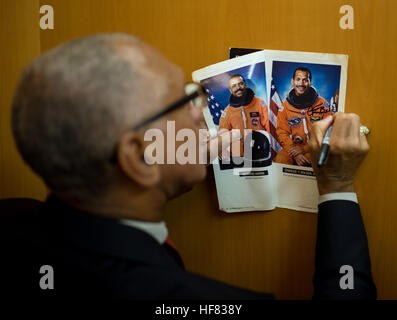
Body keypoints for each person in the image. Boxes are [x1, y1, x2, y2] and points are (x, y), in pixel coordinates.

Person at [4, 33, 376, 300]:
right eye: (182, 102)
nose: (200, 114)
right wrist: (337, 184)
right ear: (137, 159)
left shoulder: (13, 216)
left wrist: (170, 164)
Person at [274, 67, 333, 166]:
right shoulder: (285, 107)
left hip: (315, 147)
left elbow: (328, 132)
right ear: (292, 82)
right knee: (280, 160)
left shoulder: (322, 104)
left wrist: (304, 149)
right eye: (298, 79)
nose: (301, 83)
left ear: (310, 82)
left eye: (305, 80)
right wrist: (294, 153)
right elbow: (282, 132)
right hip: (294, 148)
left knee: (320, 162)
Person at [219, 74, 270, 157]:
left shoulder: (260, 103)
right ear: (230, 90)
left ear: (245, 84)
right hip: (239, 155)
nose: (238, 88)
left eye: (240, 84)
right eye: (234, 86)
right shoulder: (227, 111)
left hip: (260, 150)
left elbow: (269, 127)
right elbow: (223, 133)